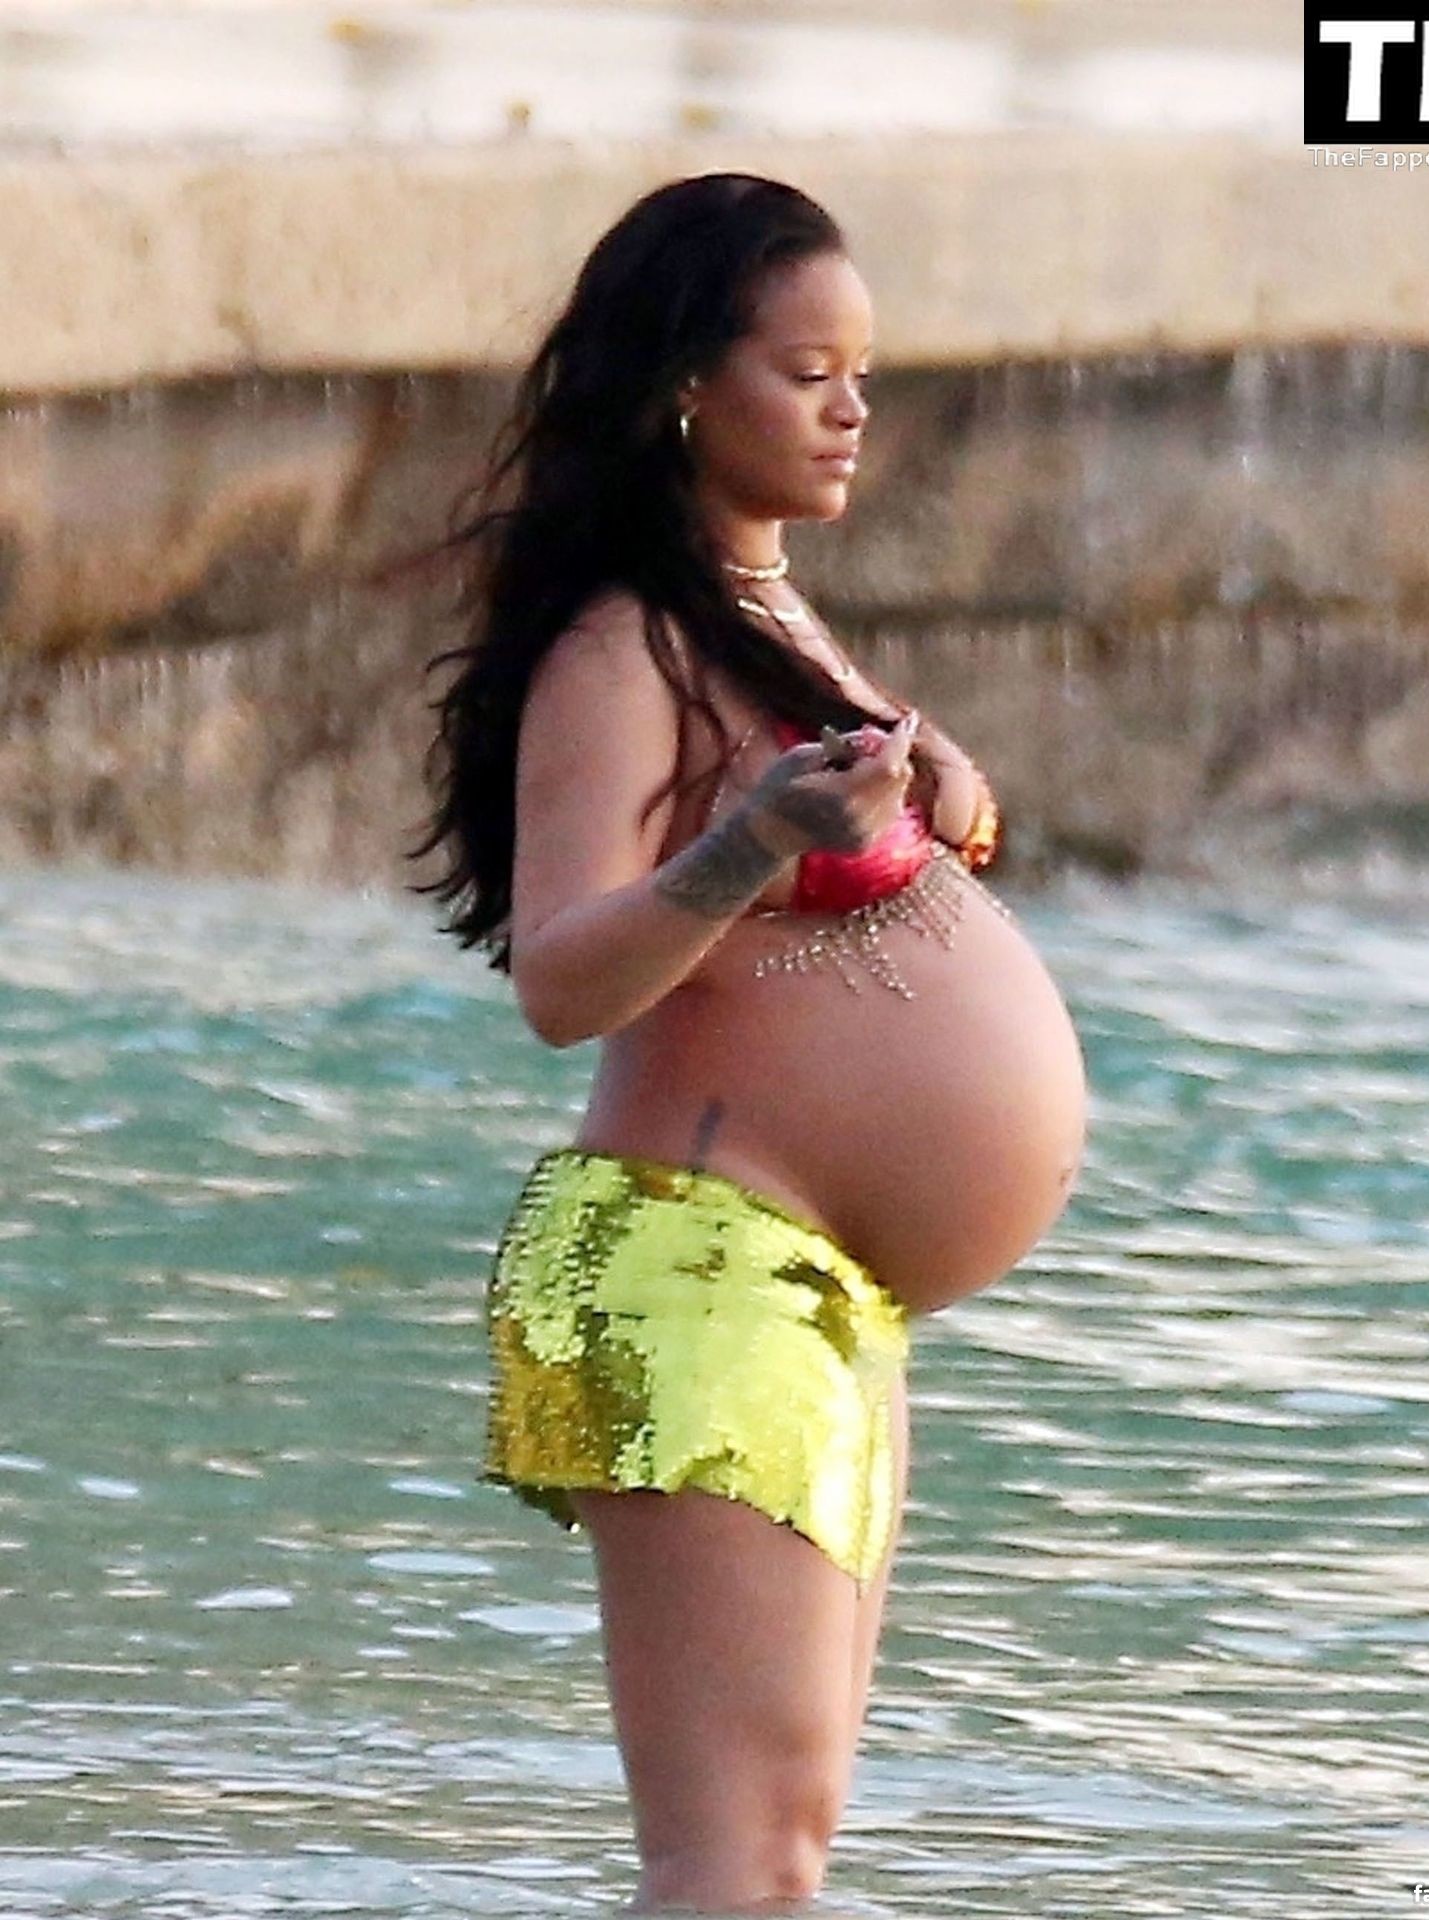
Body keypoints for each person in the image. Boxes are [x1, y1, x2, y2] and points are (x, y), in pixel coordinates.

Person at [407, 171, 1090, 1915]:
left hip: (822, 1297)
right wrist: (747, 847)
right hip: (701, 1277)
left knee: (781, 1859)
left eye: (863, 373)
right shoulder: (623, 644)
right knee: (736, 1869)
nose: (853, 410)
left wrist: (934, 800)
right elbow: (562, 979)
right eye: (807, 373)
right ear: (686, 388)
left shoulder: (760, 608)